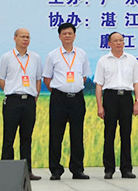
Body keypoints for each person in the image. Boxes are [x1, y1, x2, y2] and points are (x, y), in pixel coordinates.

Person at [43, 22, 91, 180]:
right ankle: (56, 170)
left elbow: (84, 76)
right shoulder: (53, 55)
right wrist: (60, 90)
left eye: (70, 33)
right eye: (64, 33)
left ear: (75, 35)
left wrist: (72, 88)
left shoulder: (81, 54)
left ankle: (77, 169)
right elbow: (47, 78)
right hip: (59, 99)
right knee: (56, 135)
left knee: (77, 135)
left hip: (77, 98)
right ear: (59, 36)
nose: (67, 36)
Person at [94, 31, 138, 179]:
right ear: (109, 43)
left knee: (126, 134)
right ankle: (109, 169)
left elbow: (136, 83)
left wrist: (137, 102)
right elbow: (99, 85)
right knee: (109, 134)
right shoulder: (103, 61)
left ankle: (126, 169)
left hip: (126, 98)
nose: (119, 43)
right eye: (115, 40)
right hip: (110, 97)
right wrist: (99, 105)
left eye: (121, 40)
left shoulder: (131, 60)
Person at [0, 28, 43, 180]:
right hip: (12, 101)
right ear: (15, 38)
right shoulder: (6, 57)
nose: (25, 39)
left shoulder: (35, 58)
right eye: (22, 36)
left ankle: (27, 171)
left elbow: (38, 79)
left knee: (26, 138)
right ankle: (6, 171)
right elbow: (0, 78)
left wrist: (35, 96)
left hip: (29, 101)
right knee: (9, 138)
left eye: (28, 37)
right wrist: (10, 90)